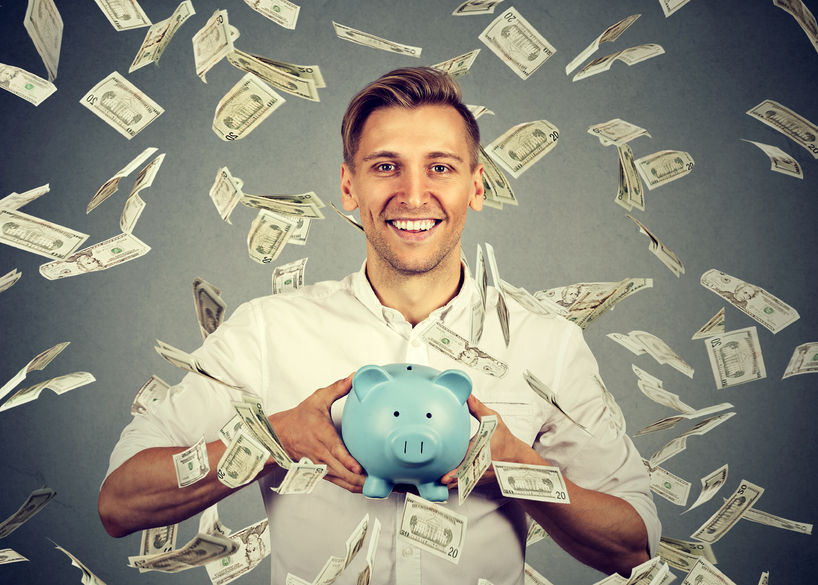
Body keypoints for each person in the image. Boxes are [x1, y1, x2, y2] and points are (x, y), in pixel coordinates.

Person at [99, 67, 659, 584]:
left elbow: (635, 542)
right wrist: (270, 440)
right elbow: (119, 502)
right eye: (385, 166)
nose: (413, 195)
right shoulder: (268, 331)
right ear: (349, 186)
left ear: (477, 185)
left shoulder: (546, 344)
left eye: (440, 167)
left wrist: (520, 469)